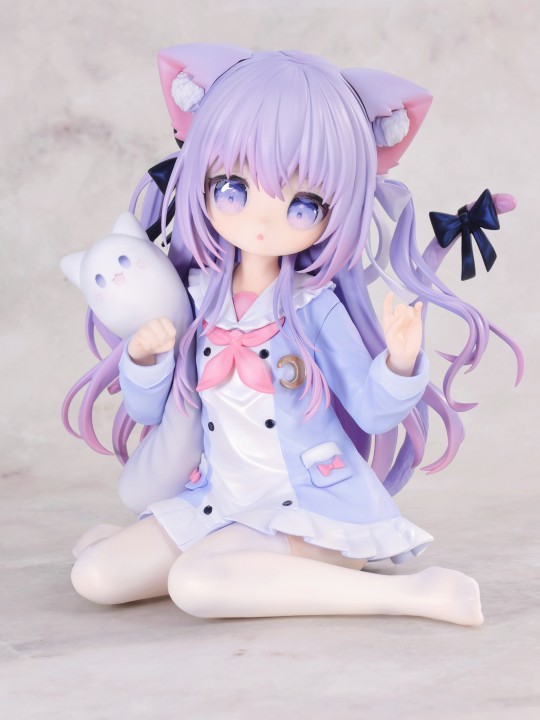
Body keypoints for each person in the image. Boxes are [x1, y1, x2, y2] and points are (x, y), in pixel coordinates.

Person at [65, 45, 522, 625]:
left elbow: (371, 410)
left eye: (303, 205)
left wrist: (401, 362)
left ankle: (415, 594)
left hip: (310, 508)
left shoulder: (313, 308)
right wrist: (144, 357)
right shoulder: (197, 298)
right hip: (216, 499)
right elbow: (147, 409)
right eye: (232, 189)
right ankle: (168, 549)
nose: (262, 219)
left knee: (197, 584)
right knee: (95, 577)